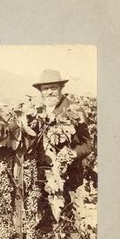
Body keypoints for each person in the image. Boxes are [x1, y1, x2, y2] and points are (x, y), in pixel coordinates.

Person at [31, 69, 93, 228]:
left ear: (60, 88)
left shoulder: (74, 109)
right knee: (46, 214)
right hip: (43, 173)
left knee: (67, 218)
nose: (50, 92)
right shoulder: (37, 111)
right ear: (41, 91)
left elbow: (88, 144)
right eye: (46, 88)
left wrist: (72, 153)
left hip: (68, 174)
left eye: (53, 87)